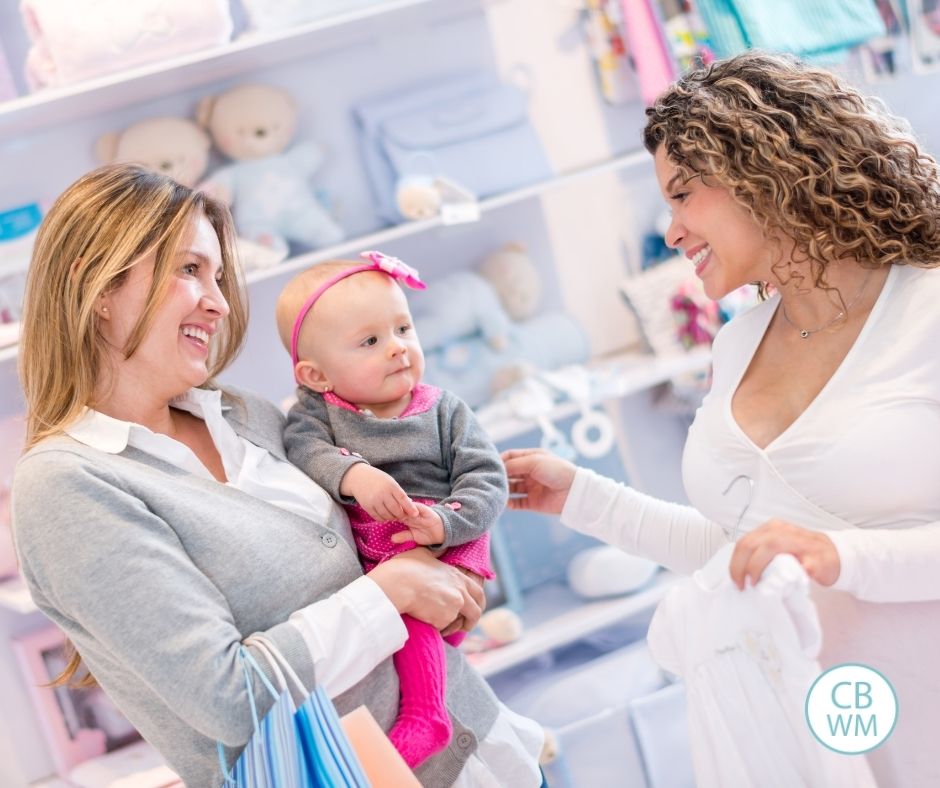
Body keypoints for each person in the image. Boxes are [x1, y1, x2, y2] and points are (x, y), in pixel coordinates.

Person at [11, 163, 544, 787]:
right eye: (189, 270)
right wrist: (393, 591)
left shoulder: (243, 414)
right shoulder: (66, 487)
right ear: (98, 287)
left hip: (485, 749)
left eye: (217, 274)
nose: (217, 300)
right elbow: (230, 699)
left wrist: (441, 588)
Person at [503, 51, 940, 788]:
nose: (671, 231)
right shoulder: (737, 343)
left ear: (765, 171)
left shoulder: (925, 308)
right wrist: (579, 496)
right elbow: (748, 551)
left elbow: (816, 551)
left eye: (683, 194)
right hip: (806, 741)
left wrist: (844, 558)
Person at [274, 253, 507, 768]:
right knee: (400, 610)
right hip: (381, 554)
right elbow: (303, 450)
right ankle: (445, 668)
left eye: (404, 327)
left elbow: (488, 477)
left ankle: (428, 717)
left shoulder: (443, 409)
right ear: (315, 375)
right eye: (371, 341)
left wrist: (445, 521)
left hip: (450, 535)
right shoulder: (320, 415)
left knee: (413, 612)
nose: (399, 347)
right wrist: (354, 474)